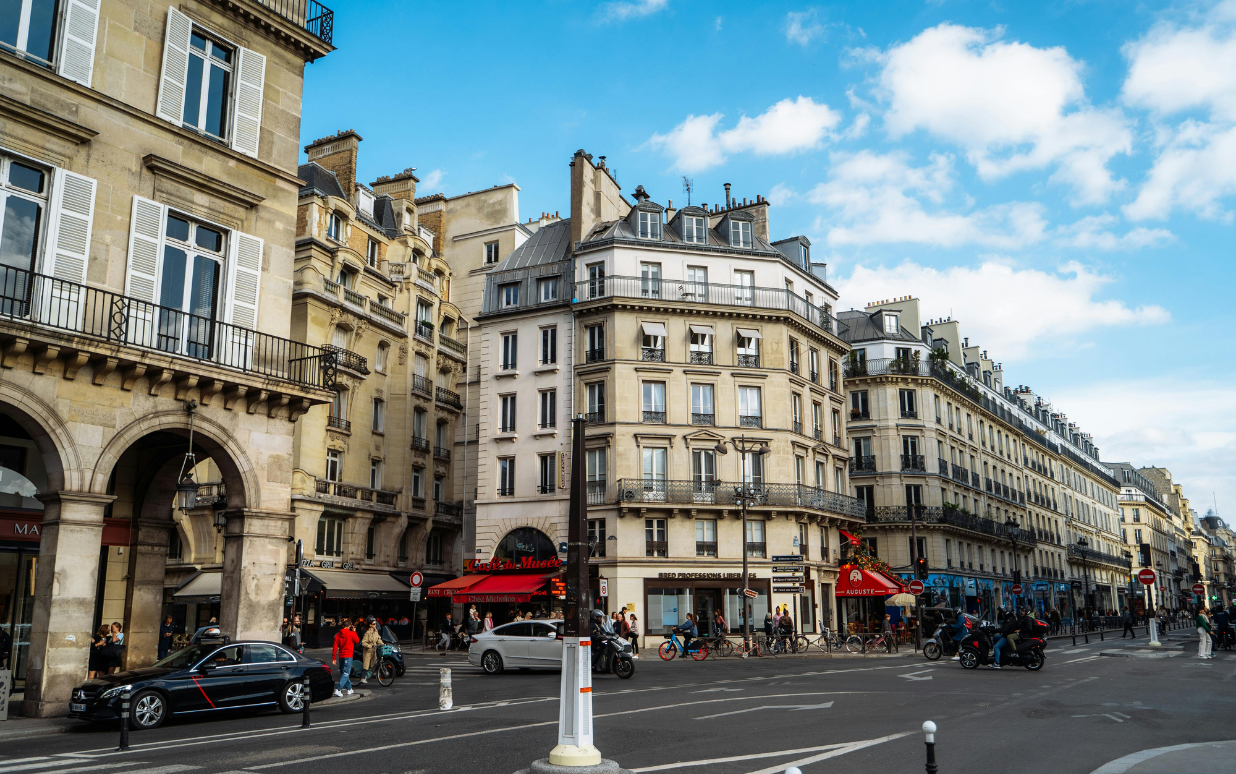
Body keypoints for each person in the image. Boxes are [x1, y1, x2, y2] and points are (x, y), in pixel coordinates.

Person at [332, 620, 360, 696]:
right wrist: (354, 631)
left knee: (344, 673)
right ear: (349, 626)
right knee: (346, 673)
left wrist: (334, 658)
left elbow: (334, 648)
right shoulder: (351, 634)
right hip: (348, 656)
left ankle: (349, 688)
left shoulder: (337, 635)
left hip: (341, 656)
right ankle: (338, 689)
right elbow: (357, 641)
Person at [359, 616, 381, 684]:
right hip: (368, 651)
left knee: (374, 663)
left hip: (374, 650)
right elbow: (363, 642)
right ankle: (362, 678)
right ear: (370, 625)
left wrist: (382, 644)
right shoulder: (367, 632)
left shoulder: (376, 631)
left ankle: (373, 674)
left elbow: (378, 639)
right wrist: (369, 646)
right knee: (366, 664)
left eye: (375, 623)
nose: (375, 625)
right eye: (374, 624)